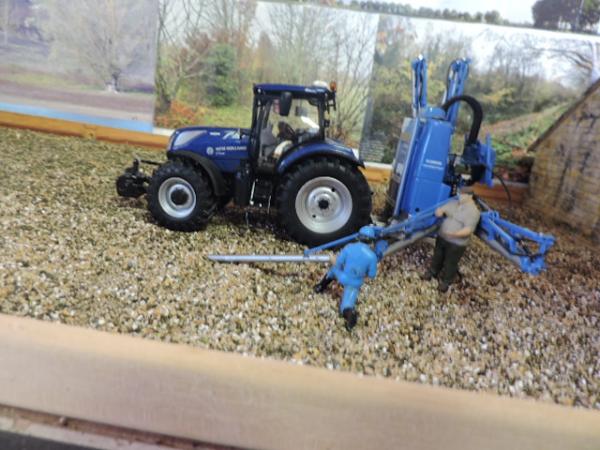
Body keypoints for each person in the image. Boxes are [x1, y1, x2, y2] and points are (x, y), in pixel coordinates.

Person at [314, 227, 388, 330]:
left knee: (333, 270)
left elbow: (338, 263)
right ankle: (350, 315)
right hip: (355, 283)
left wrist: (332, 259)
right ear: (371, 241)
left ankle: (320, 286)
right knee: (347, 305)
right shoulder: (372, 257)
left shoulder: (349, 247)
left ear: (359, 237)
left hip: (342, 277)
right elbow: (372, 275)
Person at [422, 185, 481, 293]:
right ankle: (432, 272)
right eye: (459, 193)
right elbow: (442, 209)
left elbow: (468, 229)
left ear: (470, 196)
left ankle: (446, 281)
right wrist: (439, 211)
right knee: (437, 256)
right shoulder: (453, 203)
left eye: (462, 195)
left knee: (450, 262)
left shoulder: (473, 212)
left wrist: (454, 234)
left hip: (456, 243)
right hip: (442, 237)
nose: (459, 196)